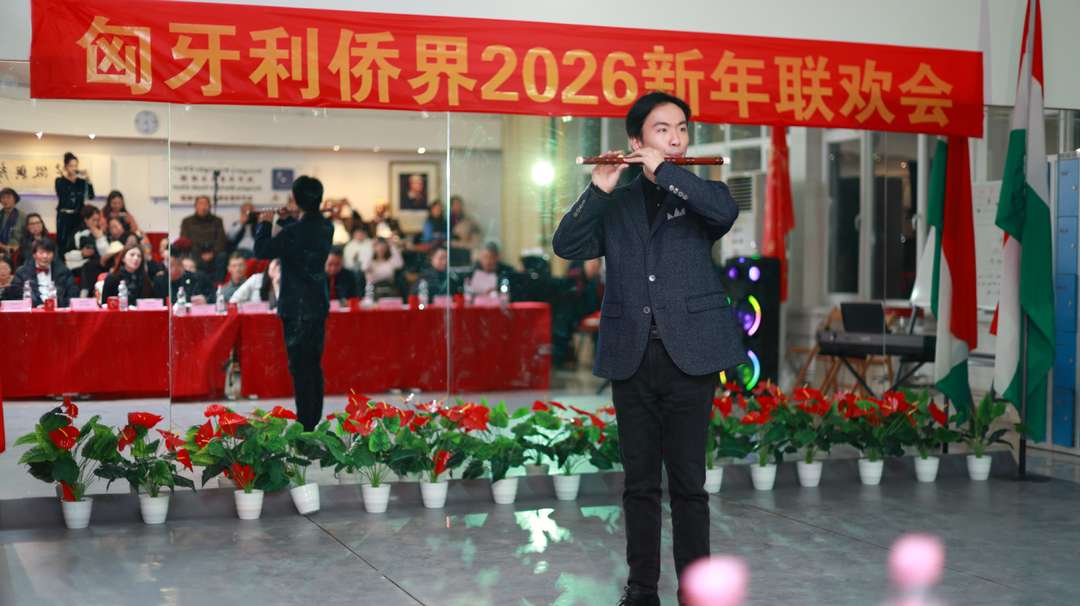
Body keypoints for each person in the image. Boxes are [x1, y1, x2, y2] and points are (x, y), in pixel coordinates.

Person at [551, 92, 744, 606]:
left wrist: (668, 172)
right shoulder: (616, 201)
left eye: (681, 128)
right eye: (662, 129)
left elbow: (724, 211)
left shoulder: (699, 192)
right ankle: (641, 589)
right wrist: (597, 189)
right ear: (636, 140)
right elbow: (567, 246)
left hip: (691, 356)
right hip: (632, 354)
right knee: (639, 484)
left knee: (689, 484)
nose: (676, 138)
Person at [254, 175, 333, 431]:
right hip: (317, 304)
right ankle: (313, 419)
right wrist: (288, 219)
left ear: (296, 200)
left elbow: (262, 250)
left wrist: (265, 223)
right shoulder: (326, 227)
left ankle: (305, 424)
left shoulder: (294, 232)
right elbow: (301, 237)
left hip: (295, 307)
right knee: (313, 366)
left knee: (300, 368)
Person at [6, 239, 78, 307]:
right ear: (34, 255)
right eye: (41, 253)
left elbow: (73, 293)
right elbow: (15, 295)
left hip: (57, 311)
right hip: (31, 312)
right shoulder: (22, 272)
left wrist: (59, 304)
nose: (45, 256)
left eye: (48, 253)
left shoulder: (63, 271)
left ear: (53, 255)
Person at [55, 152, 95, 255]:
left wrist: (88, 180)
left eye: (76, 166)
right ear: (66, 167)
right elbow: (62, 194)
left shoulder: (81, 182)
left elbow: (91, 196)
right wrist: (65, 176)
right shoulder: (59, 181)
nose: (74, 168)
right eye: (71, 166)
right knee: (63, 242)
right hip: (64, 217)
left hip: (78, 216)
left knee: (77, 241)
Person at [180, 195, 228, 281]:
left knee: (222, 256)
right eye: (200, 204)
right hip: (195, 252)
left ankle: (218, 283)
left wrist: (212, 253)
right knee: (190, 257)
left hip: (214, 253)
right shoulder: (187, 221)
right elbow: (184, 240)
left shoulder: (217, 221)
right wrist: (200, 254)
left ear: (210, 206)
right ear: (195, 206)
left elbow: (221, 240)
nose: (203, 207)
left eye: (206, 204)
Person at [0, 187, 26, 259]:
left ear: (15, 199)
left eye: (8, 197)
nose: (5, 200)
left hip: (16, 251)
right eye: (3, 198)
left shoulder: (22, 216)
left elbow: (27, 236)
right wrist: (3, 247)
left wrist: (19, 247)